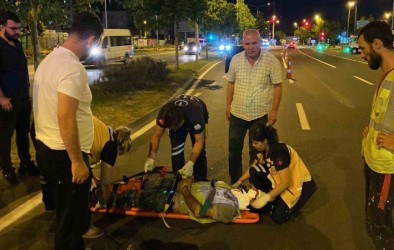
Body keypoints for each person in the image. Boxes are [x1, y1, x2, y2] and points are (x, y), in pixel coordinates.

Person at [33, 11, 103, 250]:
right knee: (68, 225)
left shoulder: (50, 60)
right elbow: (65, 116)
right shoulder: (73, 68)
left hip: (47, 147)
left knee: (67, 211)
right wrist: (76, 161)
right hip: (65, 155)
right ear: (91, 40)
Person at [358, 21, 394, 250]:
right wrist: (371, 129)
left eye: (363, 49)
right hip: (374, 159)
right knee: (373, 219)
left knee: (379, 221)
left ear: (377, 44)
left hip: (388, 165)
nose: (362, 55)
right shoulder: (388, 74)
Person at [0, 11, 38, 183]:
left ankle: (26, 163)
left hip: (22, 99)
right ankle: (7, 169)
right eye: (13, 28)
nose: (17, 31)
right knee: (6, 135)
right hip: (7, 101)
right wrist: (1, 97)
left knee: (23, 134)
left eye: (18, 28)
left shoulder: (17, 45)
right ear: (2, 27)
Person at [226, 29, 282, 184]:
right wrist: (228, 105)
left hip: (260, 114)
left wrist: (274, 110)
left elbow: (277, 86)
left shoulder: (271, 61)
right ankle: (236, 183)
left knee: (256, 153)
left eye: (254, 43)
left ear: (260, 42)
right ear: (242, 43)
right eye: (247, 43)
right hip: (237, 113)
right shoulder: (236, 60)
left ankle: (254, 184)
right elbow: (230, 83)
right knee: (234, 151)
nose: (251, 47)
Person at [232, 123, 316, 224]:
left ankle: (278, 203)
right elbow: (252, 167)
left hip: (296, 185)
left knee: (278, 218)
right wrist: (239, 181)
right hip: (280, 180)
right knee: (254, 170)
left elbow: (286, 183)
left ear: (265, 141)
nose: (253, 146)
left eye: (255, 143)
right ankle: (271, 198)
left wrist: (266, 198)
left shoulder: (278, 153)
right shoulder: (266, 148)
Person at [113, 176, 252, 224]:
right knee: (146, 183)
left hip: (174, 200)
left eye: (256, 191)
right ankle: (114, 187)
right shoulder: (229, 189)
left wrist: (185, 191)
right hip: (179, 187)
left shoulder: (229, 210)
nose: (252, 186)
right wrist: (188, 181)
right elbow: (206, 186)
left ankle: (106, 198)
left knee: (134, 198)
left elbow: (200, 211)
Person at [144, 94, 209, 180]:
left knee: (199, 153)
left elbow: (199, 141)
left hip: (198, 110)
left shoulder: (195, 116)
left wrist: (190, 163)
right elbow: (156, 136)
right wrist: (150, 158)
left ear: (182, 122)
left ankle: (200, 178)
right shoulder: (164, 113)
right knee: (176, 149)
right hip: (176, 118)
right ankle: (178, 179)